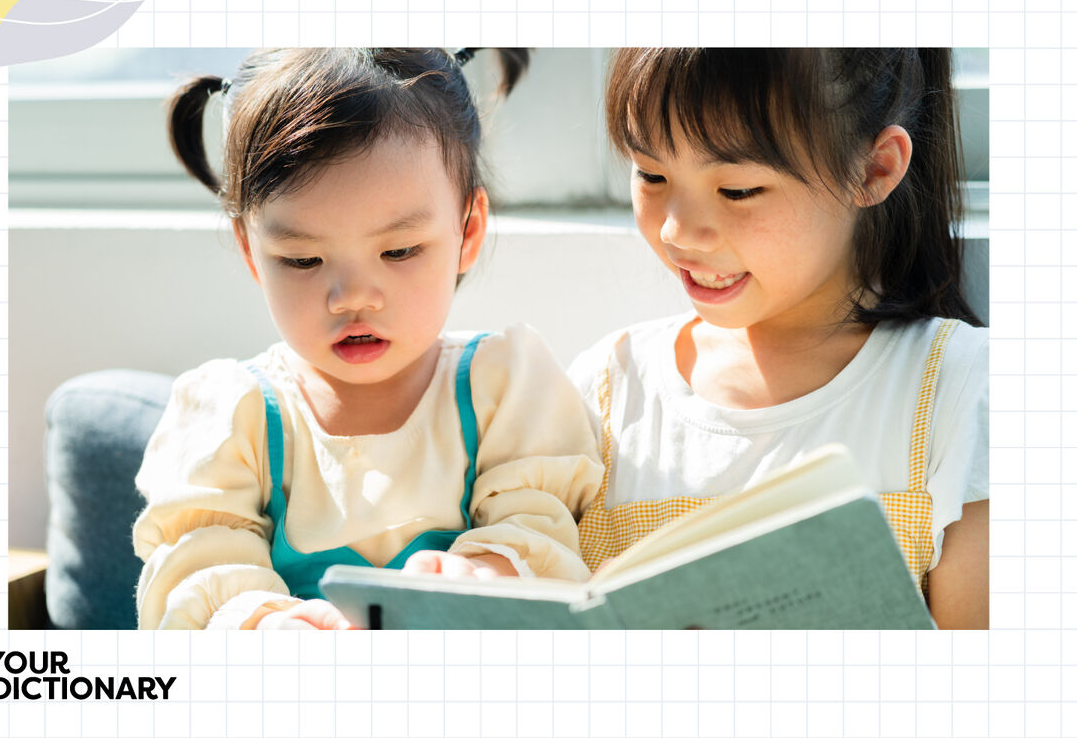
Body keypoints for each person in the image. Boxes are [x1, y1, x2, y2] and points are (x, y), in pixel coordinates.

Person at [133, 48, 602, 630]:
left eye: (399, 251)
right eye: (303, 258)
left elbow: (542, 528)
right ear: (251, 250)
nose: (353, 297)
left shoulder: (504, 388)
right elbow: (196, 576)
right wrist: (265, 624)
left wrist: (488, 570)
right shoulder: (234, 416)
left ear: (468, 231)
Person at [570, 48, 988, 628]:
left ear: (874, 170)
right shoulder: (607, 390)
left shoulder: (961, 391)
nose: (678, 231)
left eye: (737, 190)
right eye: (652, 175)